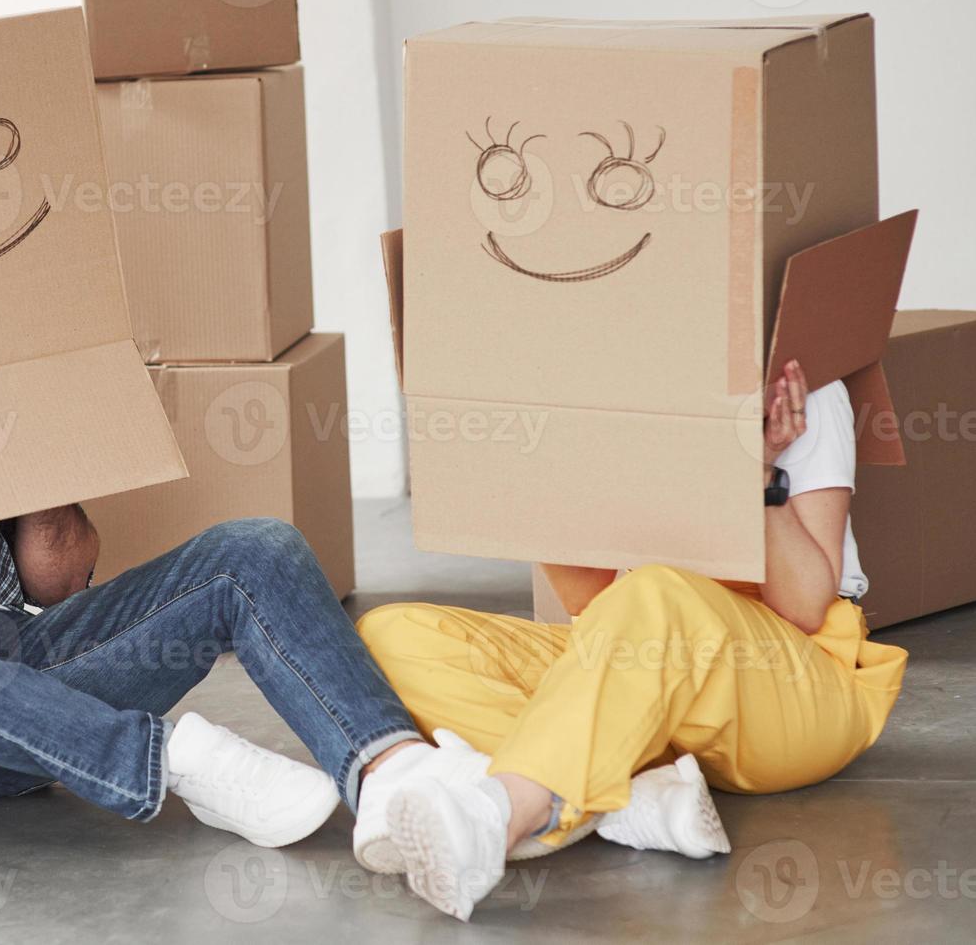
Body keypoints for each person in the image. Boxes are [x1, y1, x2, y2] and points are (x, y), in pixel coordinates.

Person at [0, 407, 502, 856]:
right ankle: (166, 761)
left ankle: (394, 779)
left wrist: (33, 456)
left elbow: (59, 580)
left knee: (254, 549)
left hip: (11, 693)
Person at [357, 360, 909, 921]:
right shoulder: (624, 386)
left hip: (793, 687)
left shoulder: (803, 388)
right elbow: (590, 606)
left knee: (658, 592)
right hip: (651, 667)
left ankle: (507, 813)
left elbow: (807, 607)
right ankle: (634, 795)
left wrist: (758, 470)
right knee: (392, 635)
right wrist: (545, 468)